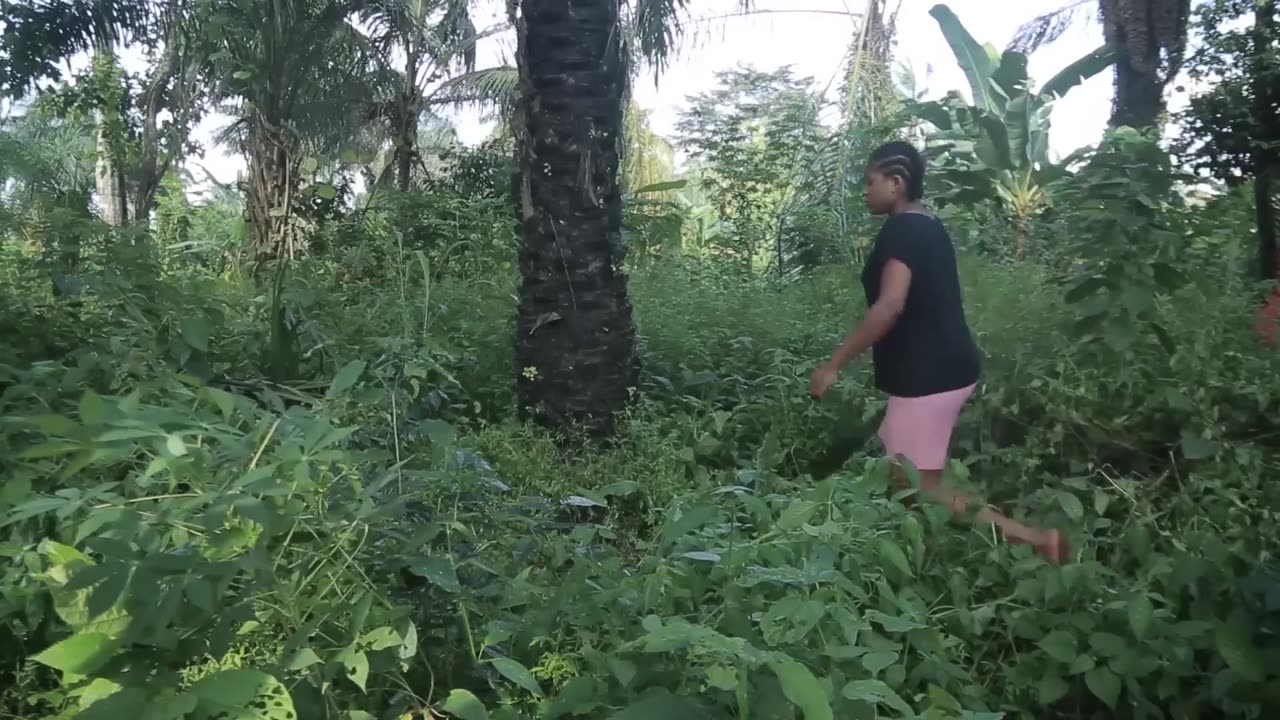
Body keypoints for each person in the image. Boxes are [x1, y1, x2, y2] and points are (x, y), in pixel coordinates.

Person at [809, 140, 1067, 566]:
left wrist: (833, 365)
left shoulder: (904, 230)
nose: (865, 191)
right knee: (899, 466)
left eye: (870, 182)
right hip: (938, 368)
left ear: (896, 182)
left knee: (919, 484)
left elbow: (890, 305)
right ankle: (915, 554)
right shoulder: (925, 224)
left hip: (929, 376)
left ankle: (1036, 541)